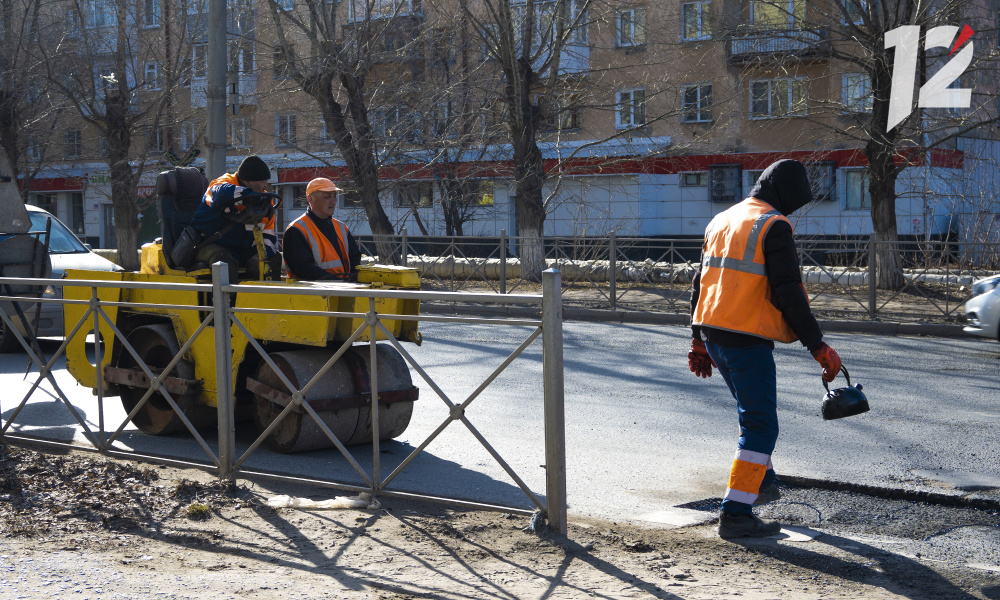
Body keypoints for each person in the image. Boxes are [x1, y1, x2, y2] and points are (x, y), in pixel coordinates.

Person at [687, 159, 843, 539]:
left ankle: (762, 483)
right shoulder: (773, 225)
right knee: (761, 426)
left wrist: (696, 339)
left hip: (715, 337)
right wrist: (818, 346)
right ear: (785, 192)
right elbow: (787, 291)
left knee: (751, 418)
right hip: (745, 339)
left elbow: (700, 283)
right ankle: (736, 513)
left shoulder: (723, 219)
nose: (795, 208)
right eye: (797, 199)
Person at [187, 155, 282, 280]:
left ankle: (263, 297)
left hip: (240, 249)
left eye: (266, 182)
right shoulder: (222, 184)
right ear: (246, 181)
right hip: (206, 244)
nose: (265, 187)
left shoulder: (264, 203)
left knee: (273, 258)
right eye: (262, 182)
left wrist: (257, 256)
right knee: (223, 259)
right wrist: (250, 197)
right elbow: (219, 194)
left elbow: (267, 236)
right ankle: (227, 299)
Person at [282, 177, 362, 281]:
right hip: (311, 293)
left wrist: (351, 280)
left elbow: (355, 258)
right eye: (327, 197)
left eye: (335, 196)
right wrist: (341, 282)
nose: (333, 201)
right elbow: (304, 269)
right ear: (310, 199)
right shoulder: (296, 230)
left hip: (341, 289)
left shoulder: (341, 227)